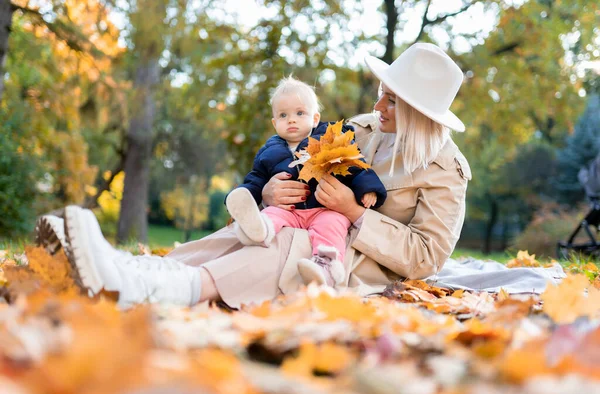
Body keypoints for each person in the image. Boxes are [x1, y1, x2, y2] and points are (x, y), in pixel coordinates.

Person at [37, 42, 471, 310]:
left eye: (392, 102)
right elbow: (301, 158)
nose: (379, 107)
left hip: (363, 260)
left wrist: (355, 212)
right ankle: (134, 269)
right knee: (259, 230)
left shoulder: (445, 172)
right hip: (311, 219)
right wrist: (270, 191)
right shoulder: (363, 127)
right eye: (381, 94)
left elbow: (428, 256)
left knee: (288, 244)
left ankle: (172, 289)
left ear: (418, 113)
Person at [225, 76, 386, 287]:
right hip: (289, 211)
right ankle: (257, 229)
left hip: (324, 209)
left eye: (300, 113)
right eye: (283, 115)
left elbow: (355, 164)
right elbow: (256, 179)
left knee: (332, 225)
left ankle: (326, 266)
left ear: (315, 118)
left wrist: (369, 188)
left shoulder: (330, 140)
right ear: (275, 123)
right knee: (271, 214)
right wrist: (244, 195)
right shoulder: (268, 152)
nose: (291, 119)